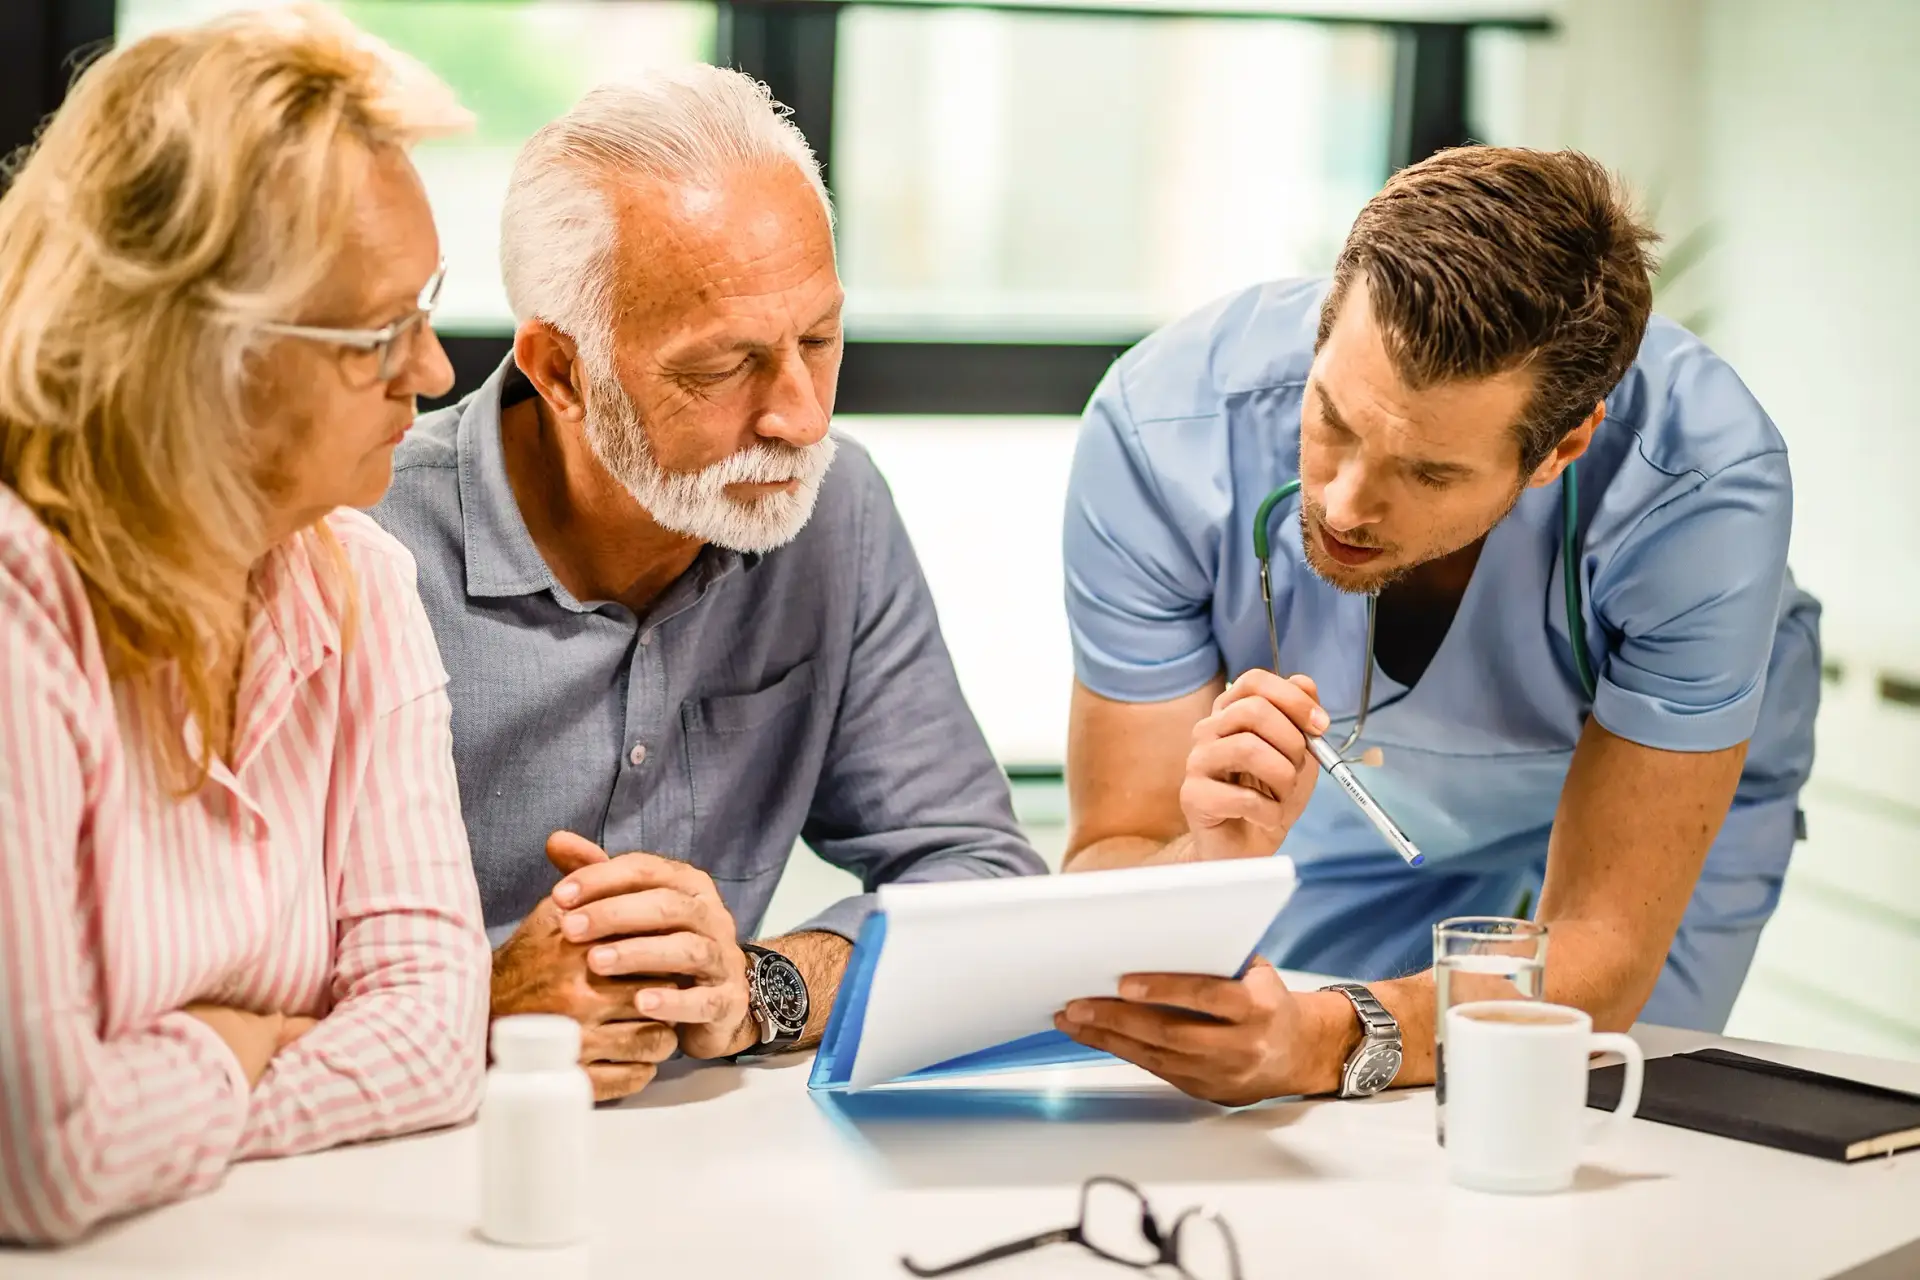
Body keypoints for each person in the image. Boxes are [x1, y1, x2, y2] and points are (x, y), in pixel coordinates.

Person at [1054, 147, 1819, 1106]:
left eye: (1431, 472)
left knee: (1590, 1103)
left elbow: (1600, 949)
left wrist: (1331, 1041)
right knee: (1281, 1089)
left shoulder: (1699, 488)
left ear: (1563, 447)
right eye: (1332, 419)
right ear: (1326, 325)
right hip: (1370, 800)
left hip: (1656, 787)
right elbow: (1112, 863)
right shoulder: (1159, 432)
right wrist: (1207, 857)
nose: (1342, 504)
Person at [370, 67, 1044, 1102]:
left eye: (818, 340)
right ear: (561, 372)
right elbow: (225, 968)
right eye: (723, 367)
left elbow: (984, 886)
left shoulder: (835, 509)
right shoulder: (364, 546)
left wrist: (755, 986)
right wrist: (481, 1007)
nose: (802, 417)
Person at [0, 8, 491, 1245]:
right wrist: (244, 1045)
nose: (431, 372)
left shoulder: (361, 579)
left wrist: (167, 1083)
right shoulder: (19, 608)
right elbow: (40, 1158)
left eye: (424, 308)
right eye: (378, 330)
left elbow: (436, 1031)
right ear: (197, 348)